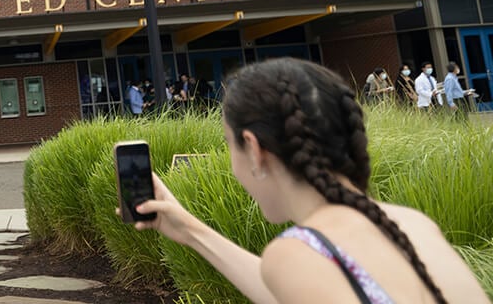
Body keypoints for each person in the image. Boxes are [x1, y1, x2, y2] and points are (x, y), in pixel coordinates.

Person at [127, 57, 488, 303]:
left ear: (253, 148)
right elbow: (292, 288)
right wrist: (189, 230)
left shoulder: (296, 254)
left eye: (228, 145)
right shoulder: (413, 225)